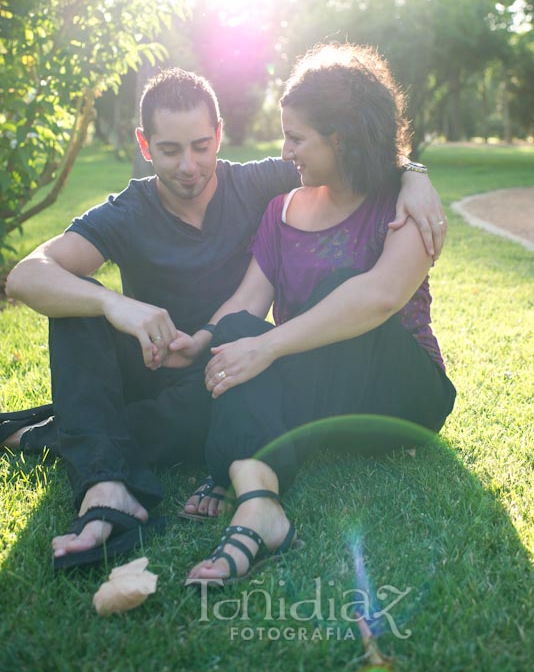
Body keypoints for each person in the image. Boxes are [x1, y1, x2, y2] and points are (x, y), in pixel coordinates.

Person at [2, 66, 447, 571]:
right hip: (181, 360)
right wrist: (119, 306)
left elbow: (353, 161)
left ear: (218, 136)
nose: (189, 165)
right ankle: (106, 484)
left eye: (200, 145)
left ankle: (70, 433)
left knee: (244, 372)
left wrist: (415, 174)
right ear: (145, 146)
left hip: (267, 377)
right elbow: (26, 277)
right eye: (170, 150)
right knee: (79, 303)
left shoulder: (266, 182)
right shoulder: (140, 211)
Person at [163, 44, 456, 587]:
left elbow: (379, 298)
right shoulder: (283, 208)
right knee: (235, 332)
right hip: (322, 395)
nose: (286, 149)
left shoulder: (406, 203)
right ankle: (259, 502)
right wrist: (206, 339)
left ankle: (228, 462)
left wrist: (267, 348)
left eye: (296, 137)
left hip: (400, 396)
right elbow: (248, 303)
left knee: (335, 296)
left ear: (339, 139)